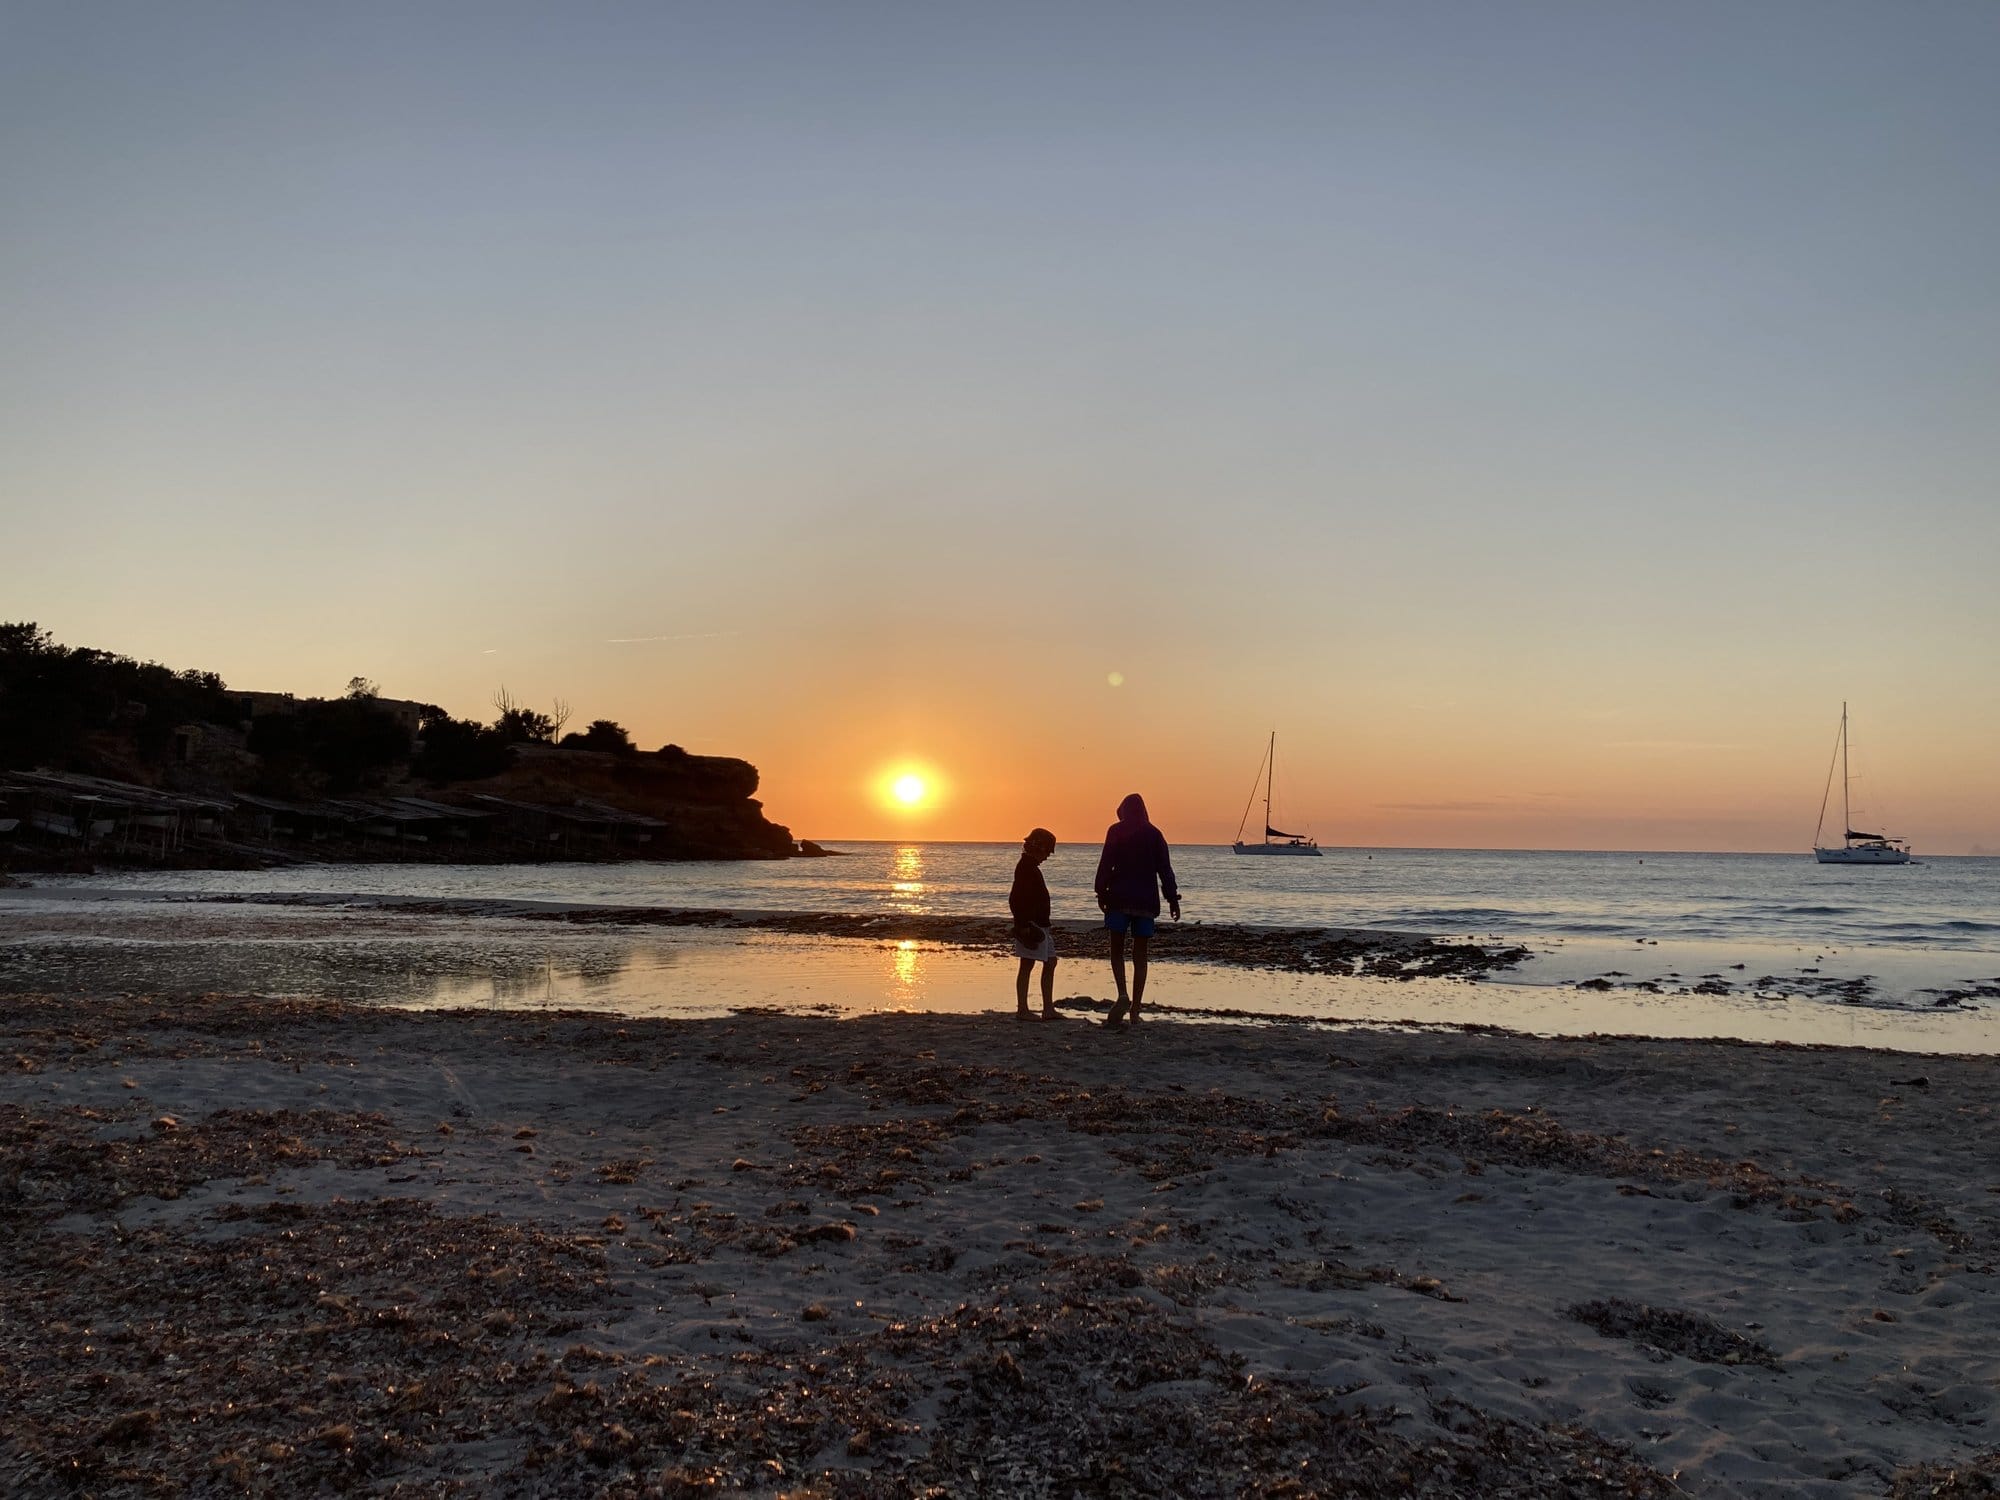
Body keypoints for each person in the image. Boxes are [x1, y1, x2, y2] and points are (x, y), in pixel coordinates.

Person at [1094, 793, 1180, 1025]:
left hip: (1118, 898)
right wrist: (1173, 899)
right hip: (1145, 901)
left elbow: (1105, 863)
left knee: (1117, 949)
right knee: (1140, 956)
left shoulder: (1115, 831)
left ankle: (1122, 993)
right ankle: (1135, 1010)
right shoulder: (1155, 834)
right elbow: (1165, 870)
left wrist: (1100, 891)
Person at [1009, 827, 1060, 1021]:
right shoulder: (1025, 869)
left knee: (1051, 961)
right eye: (1047, 852)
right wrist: (1023, 925)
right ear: (1038, 848)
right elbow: (1016, 899)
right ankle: (1023, 1009)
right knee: (1027, 964)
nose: (1047, 856)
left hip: (1040, 925)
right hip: (1032, 925)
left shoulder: (1030, 868)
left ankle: (1048, 1008)